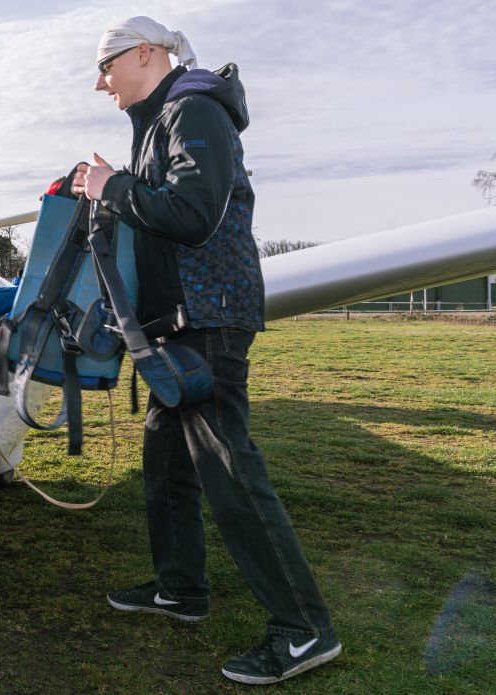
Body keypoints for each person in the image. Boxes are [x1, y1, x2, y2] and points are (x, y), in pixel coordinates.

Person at [70, 17, 340, 685]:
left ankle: (305, 629)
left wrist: (113, 188)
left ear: (145, 54)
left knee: (232, 473)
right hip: (176, 327)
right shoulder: (163, 121)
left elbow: (194, 211)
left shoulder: (194, 108)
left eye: (105, 66)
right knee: (165, 466)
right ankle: (181, 588)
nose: (99, 82)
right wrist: (118, 189)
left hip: (208, 323)